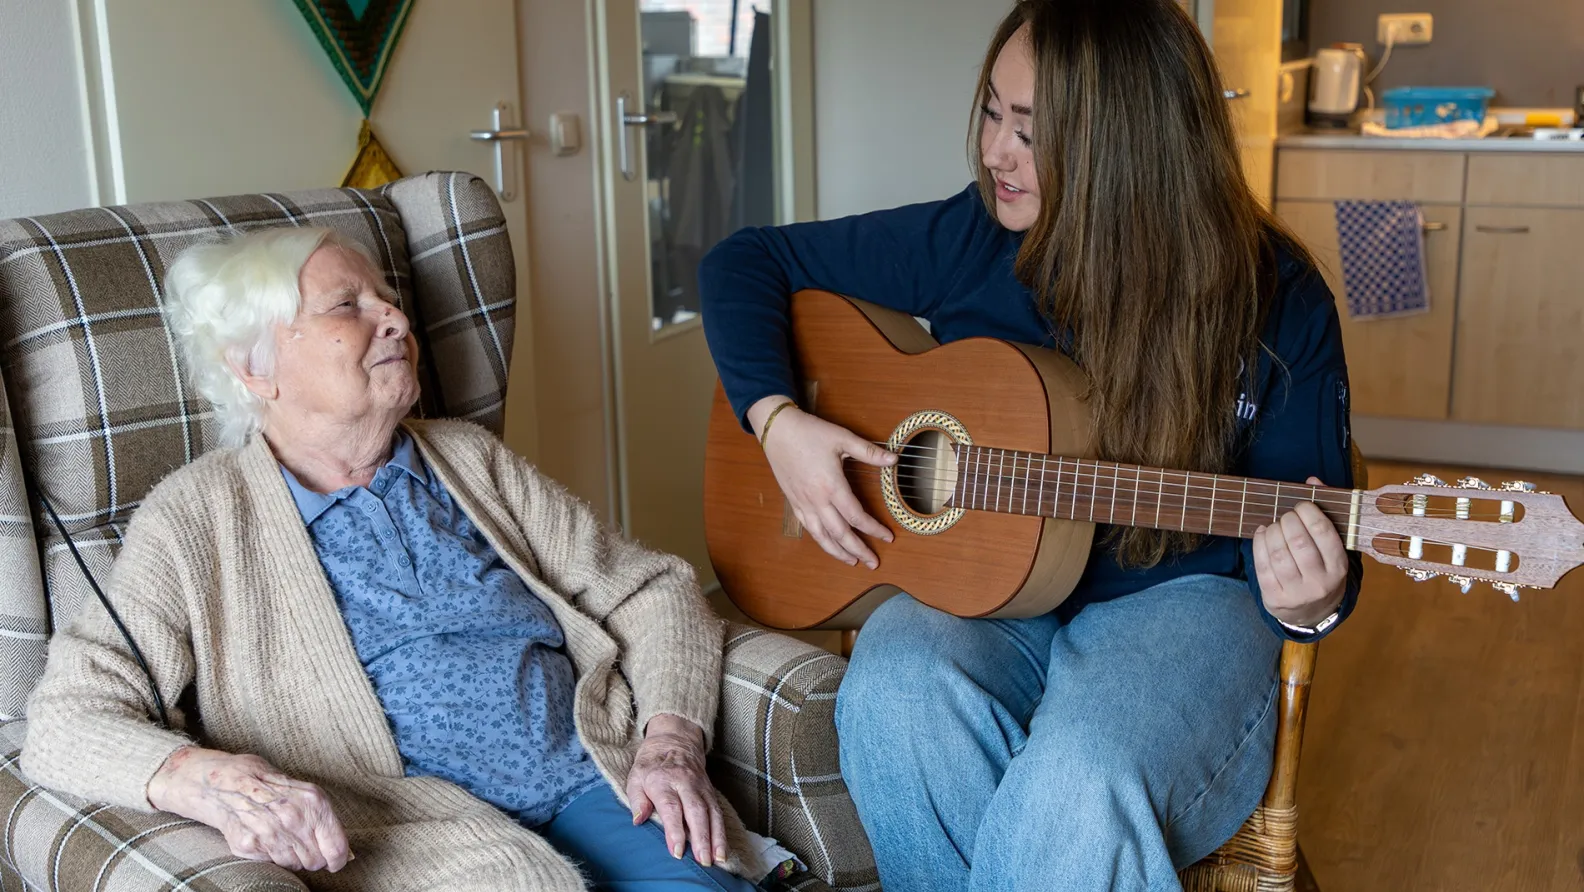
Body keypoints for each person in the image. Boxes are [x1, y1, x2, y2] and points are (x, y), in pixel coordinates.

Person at [698, 0, 1360, 889]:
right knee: (893, 692)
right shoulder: (974, 235)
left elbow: (1307, 554)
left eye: (1029, 131)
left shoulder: (1276, 298)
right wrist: (778, 422)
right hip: (991, 591)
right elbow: (743, 262)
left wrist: (1310, 595)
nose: (993, 153)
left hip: (1183, 601)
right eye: (991, 114)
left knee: (1081, 780)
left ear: (1127, 149)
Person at [23, 227, 764, 892]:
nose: (398, 320)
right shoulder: (194, 520)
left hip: (586, 782)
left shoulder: (469, 460)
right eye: (348, 305)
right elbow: (66, 721)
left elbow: (649, 589)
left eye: (390, 298)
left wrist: (669, 744)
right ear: (254, 367)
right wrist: (205, 782)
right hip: (402, 831)